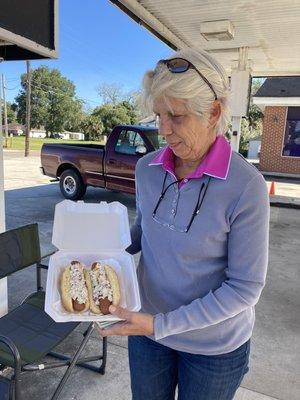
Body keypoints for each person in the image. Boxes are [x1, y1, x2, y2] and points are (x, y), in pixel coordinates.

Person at [98, 48, 270, 400]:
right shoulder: (146, 169)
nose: (163, 130)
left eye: (175, 116)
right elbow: (144, 233)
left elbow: (245, 287)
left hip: (214, 349)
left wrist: (161, 325)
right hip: (148, 334)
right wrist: (92, 249)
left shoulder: (246, 186)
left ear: (214, 112)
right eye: (158, 115)